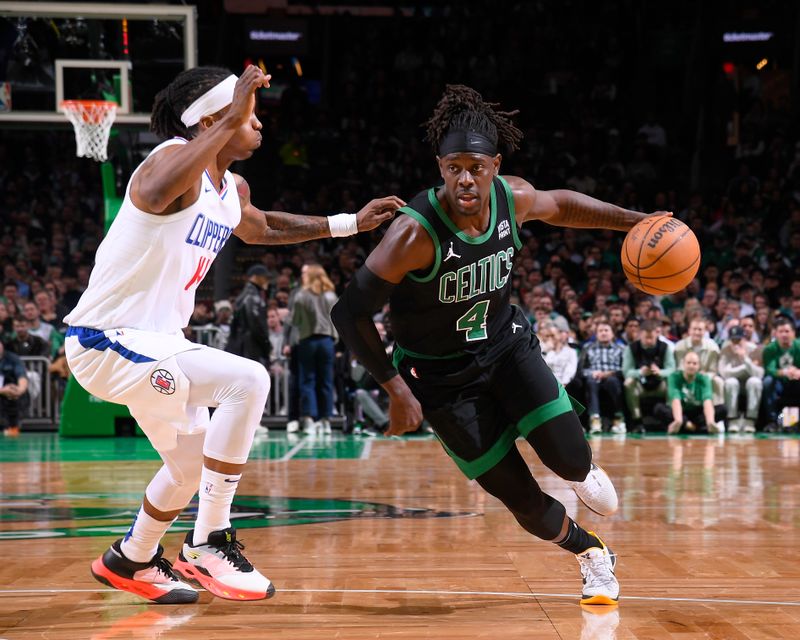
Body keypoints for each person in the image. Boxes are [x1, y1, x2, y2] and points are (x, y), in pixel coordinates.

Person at [64, 65, 403, 604]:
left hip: (158, 344)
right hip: (107, 338)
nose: (259, 124)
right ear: (212, 120)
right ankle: (209, 541)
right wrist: (228, 113)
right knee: (247, 379)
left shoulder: (230, 187)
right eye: (250, 114)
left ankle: (130, 558)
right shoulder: (168, 165)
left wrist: (349, 223)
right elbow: (154, 187)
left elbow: (262, 226)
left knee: (187, 469)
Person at [332, 85, 672, 605]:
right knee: (526, 503)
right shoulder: (413, 234)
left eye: (475, 166)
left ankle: (581, 465)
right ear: (439, 167)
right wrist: (394, 388)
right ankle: (592, 554)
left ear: (495, 165)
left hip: (507, 348)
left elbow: (563, 205)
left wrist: (636, 221)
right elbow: (349, 311)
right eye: (453, 168)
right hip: (440, 381)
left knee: (571, 462)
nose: (465, 179)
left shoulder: (513, 198)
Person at [287, 264, 339, 435]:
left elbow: (294, 320)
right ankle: (326, 421)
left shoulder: (301, 296)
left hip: (307, 341)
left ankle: (309, 419)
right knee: (326, 381)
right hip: (327, 341)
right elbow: (337, 319)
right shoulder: (331, 295)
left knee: (307, 380)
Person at [623, 319, 675, 433]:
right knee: (628, 382)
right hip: (640, 385)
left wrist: (660, 372)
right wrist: (640, 372)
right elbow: (626, 371)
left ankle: (670, 418)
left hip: (660, 384)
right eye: (646, 337)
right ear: (640, 334)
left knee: (672, 380)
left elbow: (672, 370)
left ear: (657, 334)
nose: (649, 340)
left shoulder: (665, 347)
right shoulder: (631, 348)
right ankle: (637, 420)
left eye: (652, 337)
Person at [655, 351, 725, 434]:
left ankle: (689, 428)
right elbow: (675, 400)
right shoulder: (674, 377)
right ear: (683, 364)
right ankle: (692, 427)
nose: (691, 366)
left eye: (694, 363)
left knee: (723, 409)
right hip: (681, 411)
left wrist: (710, 422)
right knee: (658, 408)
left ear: (699, 366)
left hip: (697, 412)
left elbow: (707, 401)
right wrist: (679, 420)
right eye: (688, 363)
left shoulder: (704, 379)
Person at [580, 321, 625, 434]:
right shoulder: (588, 348)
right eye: (600, 331)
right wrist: (592, 373)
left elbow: (624, 368)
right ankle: (595, 419)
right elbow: (582, 369)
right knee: (591, 382)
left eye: (606, 330)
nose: (603, 333)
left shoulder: (621, 348)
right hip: (594, 377)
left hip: (613, 377)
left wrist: (610, 373)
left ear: (612, 334)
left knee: (612, 382)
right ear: (596, 334)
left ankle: (618, 418)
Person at [718, 325, 763, 433]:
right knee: (731, 382)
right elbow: (724, 374)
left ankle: (750, 420)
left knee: (754, 382)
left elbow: (759, 374)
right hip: (734, 385)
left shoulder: (753, 349)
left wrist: (745, 359)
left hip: (749, 385)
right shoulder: (725, 350)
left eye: (739, 340)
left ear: (744, 338)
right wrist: (744, 368)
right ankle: (732, 420)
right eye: (733, 340)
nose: (736, 343)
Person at [226, 264, 271, 367]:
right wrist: (266, 343)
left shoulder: (244, 295)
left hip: (242, 345)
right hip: (251, 347)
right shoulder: (252, 296)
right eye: (265, 277)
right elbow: (255, 324)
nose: (267, 280)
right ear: (255, 277)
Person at [762, 316, 800, 432]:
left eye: (787, 331)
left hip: (797, 381)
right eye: (781, 332)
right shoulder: (770, 349)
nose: (784, 335)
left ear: (793, 333)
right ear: (776, 334)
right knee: (767, 382)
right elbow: (769, 369)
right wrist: (785, 372)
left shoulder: (798, 346)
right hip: (779, 382)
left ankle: (794, 423)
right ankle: (772, 421)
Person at [0, 337, 28, 437]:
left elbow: (22, 376)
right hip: (3, 391)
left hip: (10, 391)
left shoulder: (12, 358)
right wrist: (2, 390)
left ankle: (14, 426)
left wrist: (19, 390)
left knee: (15, 398)